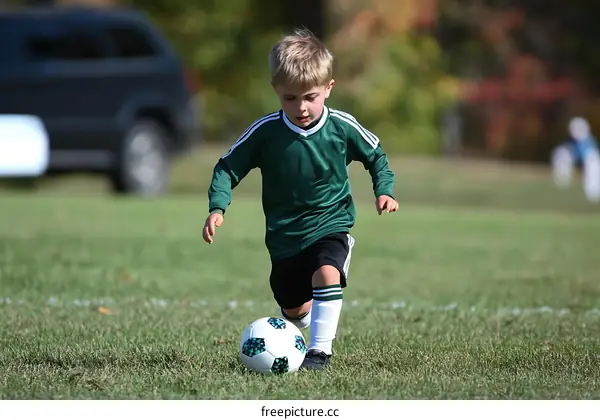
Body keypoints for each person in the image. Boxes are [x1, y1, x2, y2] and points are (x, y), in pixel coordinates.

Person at [202, 29, 398, 370]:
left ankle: (319, 351)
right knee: (293, 308)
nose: (301, 107)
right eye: (289, 98)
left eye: (310, 96)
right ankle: (302, 319)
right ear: (276, 91)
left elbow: (376, 156)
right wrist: (218, 207)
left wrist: (384, 189)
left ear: (328, 89)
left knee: (327, 271)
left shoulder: (341, 126)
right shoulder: (266, 132)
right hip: (284, 237)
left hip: (331, 222)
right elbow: (227, 167)